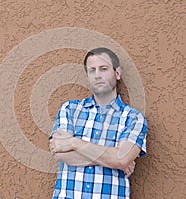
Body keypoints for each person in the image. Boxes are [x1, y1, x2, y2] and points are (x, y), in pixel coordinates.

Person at [49, 47, 147, 199]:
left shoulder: (134, 118)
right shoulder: (70, 109)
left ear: (117, 73)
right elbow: (60, 154)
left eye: (103, 69)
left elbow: (121, 159)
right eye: (92, 70)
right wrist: (112, 159)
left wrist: (74, 143)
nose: (97, 75)